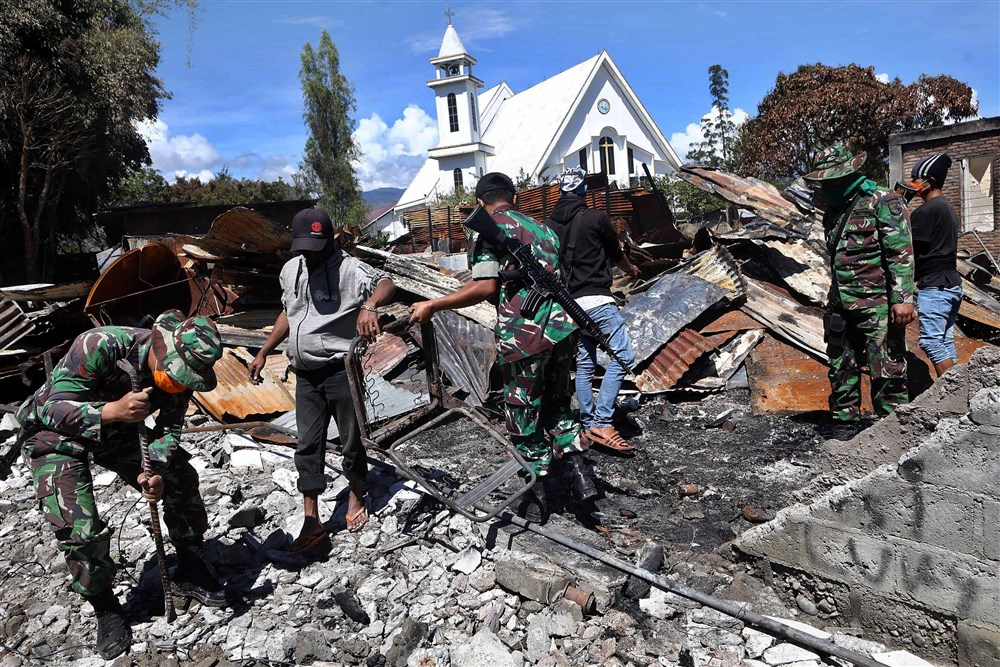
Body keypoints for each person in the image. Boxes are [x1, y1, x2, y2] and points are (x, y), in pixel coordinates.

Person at [16, 311, 226, 659]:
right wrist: (111, 411)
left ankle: (191, 565)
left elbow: (170, 429)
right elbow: (50, 408)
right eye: (174, 375)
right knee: (79, 527)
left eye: (186, 380)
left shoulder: (183, 378)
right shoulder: (101, 345)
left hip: (118, 432)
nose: (177, 384)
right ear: (161, 346)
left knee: (181, 478)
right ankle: (106, 607)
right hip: (54, 435)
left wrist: (153, 470)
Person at [408, 172, 597, 523]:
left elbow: (484, 287)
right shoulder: (543, 229)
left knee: (522, 410)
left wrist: (434, 305)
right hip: (560, 332)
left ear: (480, 201)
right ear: (514, 197)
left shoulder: (486, 230)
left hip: (524, 337)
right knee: (558, 402)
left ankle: (535, 495)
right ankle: (580, 473)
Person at [249, 208, 395, 552]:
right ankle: (311, 518)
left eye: (317, 246)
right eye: (304, 247)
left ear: (331, 240)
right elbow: (289, 312)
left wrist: (370, 304)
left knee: (351, 440)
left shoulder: (350, 268)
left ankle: (356, 496)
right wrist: (264, 350)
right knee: (308, 444)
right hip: (305, 374)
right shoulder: (290, 270)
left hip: (339, 370)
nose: (310, 253)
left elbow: (387, 283)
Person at [803, 144, 916, 441]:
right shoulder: (834, 212)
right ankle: (845, 427)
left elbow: (900, 253)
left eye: (827, 181)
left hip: (877, 305)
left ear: (844, 176)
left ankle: (893, 433)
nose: (823, 187)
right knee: (841, 367)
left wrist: (903, 299)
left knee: (887, 370)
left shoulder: (883, 200)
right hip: (841, 305)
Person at [544, 167, 641, 455]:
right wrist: (631, 270)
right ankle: (601, 421)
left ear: (561, 192)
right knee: (623, 355)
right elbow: (615, 254)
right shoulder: (597, 218)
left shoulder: (548, 225)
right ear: (584, 190)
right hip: (597, 299)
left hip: (571, 306)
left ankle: (587, 422)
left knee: (585, 363)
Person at [907, 153, 962, 377]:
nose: (913, 185)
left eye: (915, 180)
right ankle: (961, 390)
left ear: (929, 181)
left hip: (935, 286)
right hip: (951, 284)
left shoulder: (926, 211)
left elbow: (908, 251)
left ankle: (954, 395)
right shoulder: (947, 208)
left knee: (931, 342)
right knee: (945, 341)